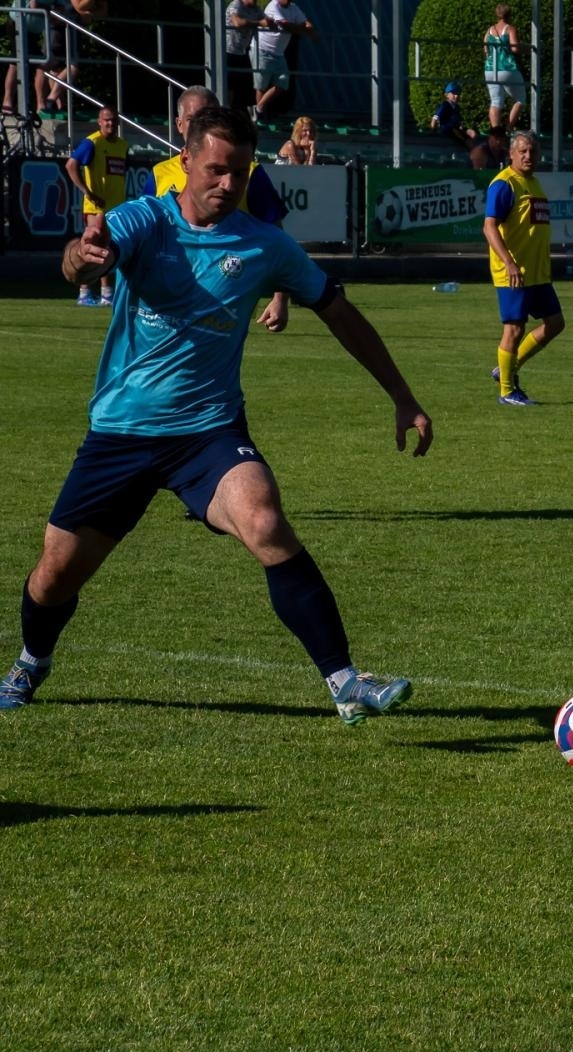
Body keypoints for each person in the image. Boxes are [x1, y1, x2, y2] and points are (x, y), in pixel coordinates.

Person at [0, 106, 432, 724]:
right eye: (215, 170)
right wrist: (82, 258)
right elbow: (84, 255)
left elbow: (337, 309)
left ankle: (345, 681)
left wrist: (402, 395)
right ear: (187, 160)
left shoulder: (265, 245)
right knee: (52, 579)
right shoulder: (146, 219)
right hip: (120, 435)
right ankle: (31, 661)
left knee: (264, 519)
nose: (227, 185)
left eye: (238, 172)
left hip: (207, 433)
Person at [146, 85, 292, 332]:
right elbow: (144, 236)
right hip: (168, 298)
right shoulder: (159, 174)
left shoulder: (250, 174)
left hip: (228, 296)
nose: (201, 126)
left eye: (209, 117)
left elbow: (278, 237)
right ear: (179, 124)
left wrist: (280, 299)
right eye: (193, 119)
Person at [483, 132, 564, 407]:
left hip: (537, 272)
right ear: (512, 154)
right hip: (513, 271)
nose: (529, 156)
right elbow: (489, 226)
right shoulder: (504, 184)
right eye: (523, 151)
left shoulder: (534, 183)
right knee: (514, 329)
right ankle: (506, 390)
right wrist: (509, 262)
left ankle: (507, 367)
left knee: (555, 323)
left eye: (532, 152)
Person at [65, 105, 127, 306]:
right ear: (99, 122)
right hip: (97, 207)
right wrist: (88, 193)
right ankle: (85, 292)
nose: (110, 123)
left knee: (108, 248)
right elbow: (71, 164)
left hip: (116, 206)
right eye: (106, 120)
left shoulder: (122, 145)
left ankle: (106, 294)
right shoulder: (92, 143)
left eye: (113, 120)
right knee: (94, 247)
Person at [252, 0, 315, 121]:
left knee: (283, 82)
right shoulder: (273, 6)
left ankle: (258, 109)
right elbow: (286, 26)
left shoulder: (293, 8)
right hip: (262, 49)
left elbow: (307, 24)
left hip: (278, 52)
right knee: (261, 85)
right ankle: (259, 117)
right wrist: (300, 28)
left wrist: (302, 28)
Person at [483, 4, 525, 132]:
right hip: (507, 68)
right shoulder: (510, 29)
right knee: (520, 99)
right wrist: (528, 50)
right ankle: (508, 129)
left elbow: (485, 49)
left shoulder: (489, 30)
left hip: (490, 69)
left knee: (496, 101)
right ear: (509, 15)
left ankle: (496, 133)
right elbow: (515, 48)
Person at [224, 0, 267, 112]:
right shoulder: (236, 4)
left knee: (242, 86)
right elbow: (237, 23)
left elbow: (266, 21)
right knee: (228, 85)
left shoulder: (256, 9)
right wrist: (258, 23)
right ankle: (225, 111)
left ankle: (237, 113)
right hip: (227, 51)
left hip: (242, 52)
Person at [431, 80, 476, 153]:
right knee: (465, 140)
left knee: (473, 133)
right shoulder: (444, 106)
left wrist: (462, 127)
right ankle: (472, 154)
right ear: (446, 95)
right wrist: (433, 131)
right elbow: (435, 119)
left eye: (458, 93)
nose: (457, 95)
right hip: (448, 129)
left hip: (456, 128)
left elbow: (458, 121)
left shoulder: (457, 107)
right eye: (454, 93)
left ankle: (470, 147)